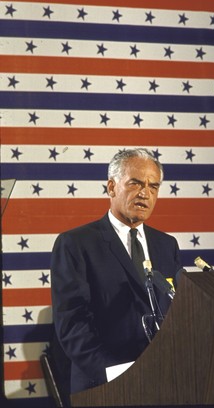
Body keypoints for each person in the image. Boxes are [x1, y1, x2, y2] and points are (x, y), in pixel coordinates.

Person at [50, 148, 182, 400]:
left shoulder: (167, 245)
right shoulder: (75, 243)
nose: (145, 193)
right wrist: (117, 373)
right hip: (103, 385)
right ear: (111, 187)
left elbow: (175, 313)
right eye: (136, 183)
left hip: (162, 383)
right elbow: (72, 323)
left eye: (154, 186)